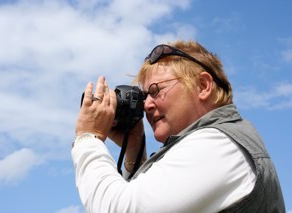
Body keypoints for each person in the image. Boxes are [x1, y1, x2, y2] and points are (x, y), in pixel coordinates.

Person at [72, 40, 285, 212]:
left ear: (203, 86)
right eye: (144, 96)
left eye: (155, 91)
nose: (146, 105)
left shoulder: (218, 144)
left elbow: (121, 208)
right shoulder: (216, 143)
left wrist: (88, 137)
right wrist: (134, 152)